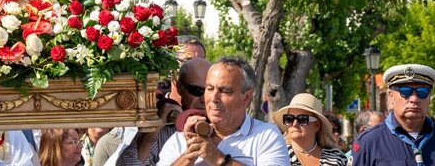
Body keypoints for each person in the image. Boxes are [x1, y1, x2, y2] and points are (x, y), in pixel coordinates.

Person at [153, 56, 289, 166]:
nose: (213, 98)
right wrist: (190, 154)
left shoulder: (267, 136)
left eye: (225, 91)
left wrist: (217, 158)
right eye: (209, 89)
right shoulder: (181, 138)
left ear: (246, 97)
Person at [352, 64, 435, 165]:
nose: (414, 99)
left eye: (422, 92)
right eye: (405, 92)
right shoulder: (369, 142)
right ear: (391, 97)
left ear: (429, 98)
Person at [117, 57, 212, 166]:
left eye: (209, 91)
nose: (204, 99)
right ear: (180, 87)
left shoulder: (227, 125)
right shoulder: (162, 129)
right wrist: (153, 130)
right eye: (197, 90)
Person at [271, 93, 346, 166]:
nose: (294, 124)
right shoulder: (277, 154)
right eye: (289, 119)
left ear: (316, 125)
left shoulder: (337, 158)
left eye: (302, 119)